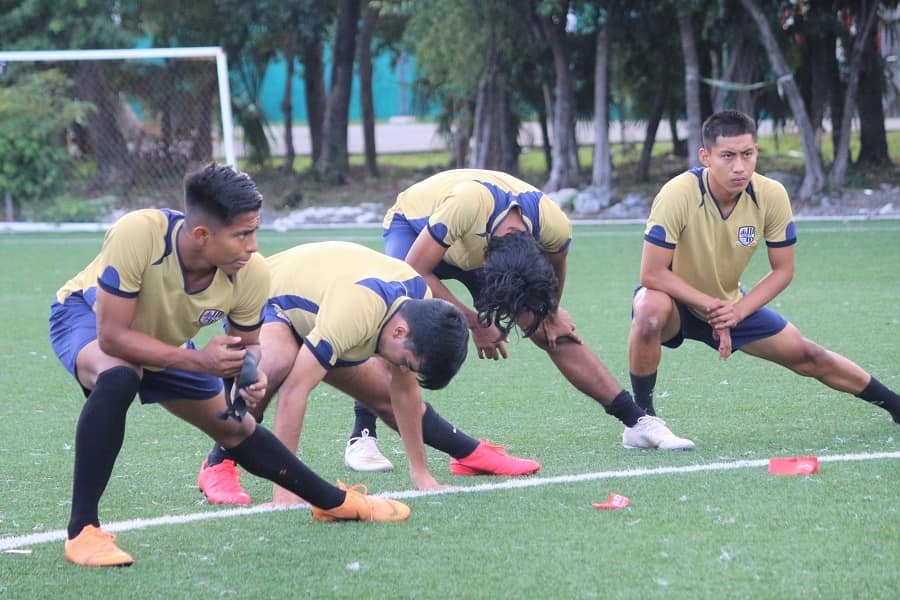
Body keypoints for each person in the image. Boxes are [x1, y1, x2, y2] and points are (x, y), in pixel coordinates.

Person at [49, 164, 410, 568]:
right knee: (120, 376)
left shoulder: (251, 273)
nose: (253, 246)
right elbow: (114, 336)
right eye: (242, 234)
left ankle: (334, 503)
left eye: (255, 231)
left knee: (234, 427)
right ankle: (83, 531)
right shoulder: (139, 233)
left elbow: (249, 345)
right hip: (87, 316)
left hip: (165, 340)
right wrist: (199, 360)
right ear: (202, 235)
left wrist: (247, 375)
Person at [341, 168, 693, 472]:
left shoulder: (554, 226)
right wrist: (475, 322)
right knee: (399, 319)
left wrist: (551, 312)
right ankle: (362, 435)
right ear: (487, 261)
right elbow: (415, 269)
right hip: (416, 228)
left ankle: (636, 421)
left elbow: (554, 272)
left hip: (474, 238)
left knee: (551, 330)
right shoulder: (466, 205)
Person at [196, 240, 542, 506]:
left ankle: (468, 454)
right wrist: (286, 489)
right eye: (407, 362)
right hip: (267, 297)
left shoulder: (415, 302)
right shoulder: (355, 313)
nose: (403, 368)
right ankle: (218, 464)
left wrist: (420, 474)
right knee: (276, 366)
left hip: (323, 314)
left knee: (384, 396)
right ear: (400, 333)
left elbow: (404, 392)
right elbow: (295, 392)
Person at [627, 109, 900, 431]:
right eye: (727, 156)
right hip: (676, 300)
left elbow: (783, 270)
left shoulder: (771, 194)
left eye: (747, 153)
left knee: (808, 355)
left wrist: (737, 312)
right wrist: (714, 308)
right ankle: (641, 421)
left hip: (730, 304)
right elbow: (653, 274)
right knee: (649, 310)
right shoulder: (678, 193)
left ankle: (895, 405)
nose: (739, 166)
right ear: (706, 157)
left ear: (756, 151)